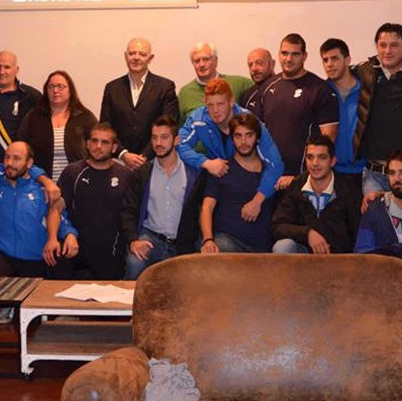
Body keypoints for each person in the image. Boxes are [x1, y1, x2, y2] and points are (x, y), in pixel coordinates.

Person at [0, 141, 78, 324]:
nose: (9, 163)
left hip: (35, 258)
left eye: (16, 158)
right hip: (5, 254)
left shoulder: (43, 190)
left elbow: (61, 217)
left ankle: (57, 306)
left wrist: (71, 235)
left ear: (29, 163)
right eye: (7, 157)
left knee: (32, 322)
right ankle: (7, 304)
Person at [178, 78, 284, 216]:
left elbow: (276, 165)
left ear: (231, 101)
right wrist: (205, 162)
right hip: (217, 178)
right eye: (210, 105)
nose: (215, 110)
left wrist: (257, 201)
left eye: (220, 104)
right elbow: (179, 144)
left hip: (250, 183)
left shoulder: (250, 122)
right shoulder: (199, 119)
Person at [353, 23, 402, 194]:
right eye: (382, 45)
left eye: (394, 45)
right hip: (374, 175)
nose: (387, 51)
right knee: (374, 213)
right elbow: (338, 73)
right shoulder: (365, 71)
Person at [121, 116, 204, 279]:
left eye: (164, 137)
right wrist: (133, 240)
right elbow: (127, 210)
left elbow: (203, 211)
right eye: (154, 138)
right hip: (151, 239)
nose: (158, 143)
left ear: (176, 140)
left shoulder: (193, 174)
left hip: (182, 244)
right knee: (134, 261)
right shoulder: (142, 173)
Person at [55, 123, 135, 279]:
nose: (98, 146)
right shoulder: (72, 172)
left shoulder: (126, 175)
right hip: (74, 247)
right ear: (87, 144)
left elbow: (130, 214)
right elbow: (58, 209)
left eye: (105, 142)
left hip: (111, 252)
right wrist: (68, 233)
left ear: (114, 148)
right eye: (94, 141)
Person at [252, 33, 339, 176]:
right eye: (284, 53)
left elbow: (328, 139)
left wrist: (304, 176)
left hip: (304, 177)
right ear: (279, 55)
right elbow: (256, 133)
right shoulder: (266, 87)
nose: (289, 59)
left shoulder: (320, 89)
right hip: (270, 175)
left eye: (295, 54)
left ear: (305, 56)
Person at [271, 134, 362, 254]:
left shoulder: (349, 191)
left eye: (322, 157)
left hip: (338, 258)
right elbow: (277, 227)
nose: (315, 163)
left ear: (333, 161)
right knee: (283, 246)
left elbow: (357, 235)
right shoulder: (296, 186)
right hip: (304, 256)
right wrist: (308, 233)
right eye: (310, 157)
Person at [100, 38, 180, 170]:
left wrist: (144, 156)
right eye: (132, 53)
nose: (136, 58)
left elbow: (169, 125)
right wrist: (123, 154)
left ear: (150, 58)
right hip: (119, 162)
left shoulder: (165, 87)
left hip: (154, 161)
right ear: (125, 56)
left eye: (142, 54)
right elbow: (105, 126)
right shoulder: (112, 88)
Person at [199, 113, 274, 253]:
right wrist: (208, 239)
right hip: (228, 241)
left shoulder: (272, 172)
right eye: (238, 136)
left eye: (249, 135)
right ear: (232, 140)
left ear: (257, 138)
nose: (243, 141)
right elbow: (207, 207)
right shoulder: (221, 169)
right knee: (218, 249)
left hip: (263, 249)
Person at [17, 70, 97, 180]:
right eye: (51, 87)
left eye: (60, 86)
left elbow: (97, 148)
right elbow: (20, 148)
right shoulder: (33, 117)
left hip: (77, 183)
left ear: (70, 90)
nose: (55, 90)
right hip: (40, 183)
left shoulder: (85, 117)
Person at [0, 50, 42, 163]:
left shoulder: (31, 97)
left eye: (7, 67)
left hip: (18, 166)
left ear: (16, 70)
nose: (2, 72)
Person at [319, 38, 366, 187]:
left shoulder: (367, 92)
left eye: (334, 58)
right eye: (325, 60)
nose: (329, 64)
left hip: (366, 174)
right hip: (332, 172)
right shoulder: (322, 94)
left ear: (347, 60)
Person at [177, 42, 253, 119]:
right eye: (197, 61)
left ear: (216, 61)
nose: (201, 64)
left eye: (206, 59)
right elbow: (180, 124)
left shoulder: (237, 84)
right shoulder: (185, 93)